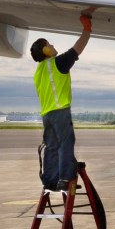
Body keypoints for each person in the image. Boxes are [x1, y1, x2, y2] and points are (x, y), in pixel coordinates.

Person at [31, 14, 92, 191]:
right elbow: (76, 50)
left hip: (46, 114)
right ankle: (65, 177)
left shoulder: (39, 71)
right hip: (60, 111)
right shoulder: (57, 64)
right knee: (66, 143)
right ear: (44, 51)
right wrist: (87, 30)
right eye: (49, 45)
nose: (53, 46)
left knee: (52, 146)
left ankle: (50, 180)